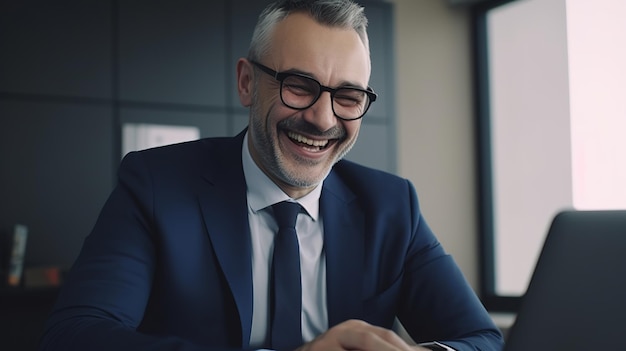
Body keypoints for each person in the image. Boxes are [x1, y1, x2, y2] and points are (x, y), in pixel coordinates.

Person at [38, 1, 503, 350]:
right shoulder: (157, 185)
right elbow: (74, 335)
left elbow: (480, 337)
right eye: (299, 86)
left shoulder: (391, 205)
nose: (323, 120)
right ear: (247, 83)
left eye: (347, 96)